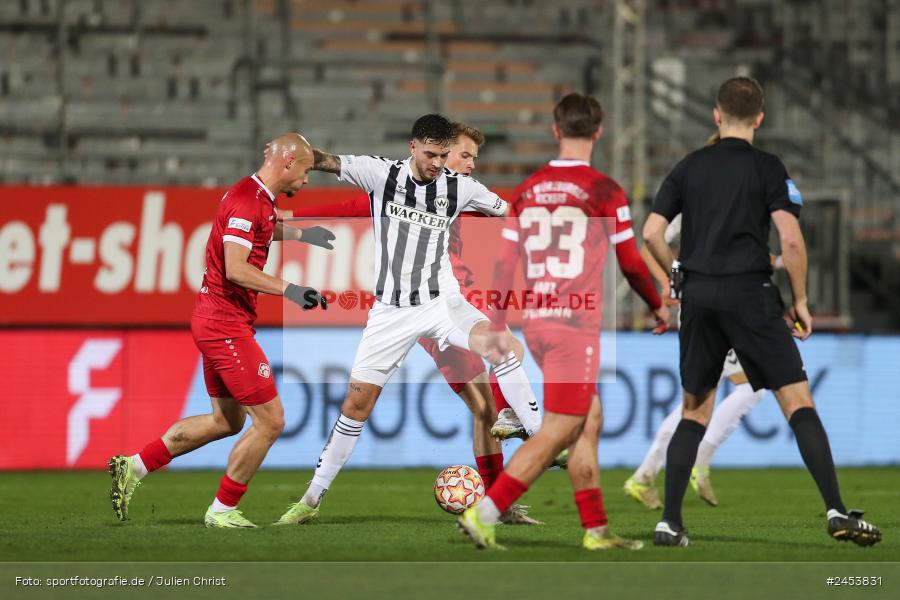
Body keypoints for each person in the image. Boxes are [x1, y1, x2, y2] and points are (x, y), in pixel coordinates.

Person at [643, 76, 881, 547]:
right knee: (796, 401)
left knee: (695, 409)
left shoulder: (689, 167)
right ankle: (835, 509)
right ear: (759, 118)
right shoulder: (768, 168)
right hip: (751, 294)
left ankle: (670, 522)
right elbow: (790, 240)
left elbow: (651, 231)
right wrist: (800, 300)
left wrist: (674, 277)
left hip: (701, 296)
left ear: (716, 115)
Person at [274, 114, 542, 526]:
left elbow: (514, 214)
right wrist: (294, 163)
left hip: (442, 304)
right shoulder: (382, 176)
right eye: (445, 155)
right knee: (358, 403)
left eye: (451, 156)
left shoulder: (461, 191)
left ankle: (538, 437)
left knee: (498, 362)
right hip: (392, 312)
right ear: (415, 147)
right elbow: (328, 165)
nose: (446, 164)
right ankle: (309, 500)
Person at [457, 93, 669, 550]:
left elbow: (504, 262)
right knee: (558, 429)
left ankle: (595, 529)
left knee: (588, 419)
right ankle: (485, 512)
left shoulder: (528, 190)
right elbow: (630, 261)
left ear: (555, 130)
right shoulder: (604, 190)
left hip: (536, 322)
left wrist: (496, 323)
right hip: (574, 325)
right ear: (598, 132)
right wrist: (657, 304)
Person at [107, 133, 332, 528]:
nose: (308, 179)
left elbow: (264, 228)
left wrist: (302, 234)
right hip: (224, 324)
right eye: (307, 170)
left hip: (217, 319)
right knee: (272, 421)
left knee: (226, 422)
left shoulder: (256, 198)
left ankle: (135, 466)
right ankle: (223, 509)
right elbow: (236, 268)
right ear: (288, 163)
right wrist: (292, 290)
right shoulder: (248, 201)